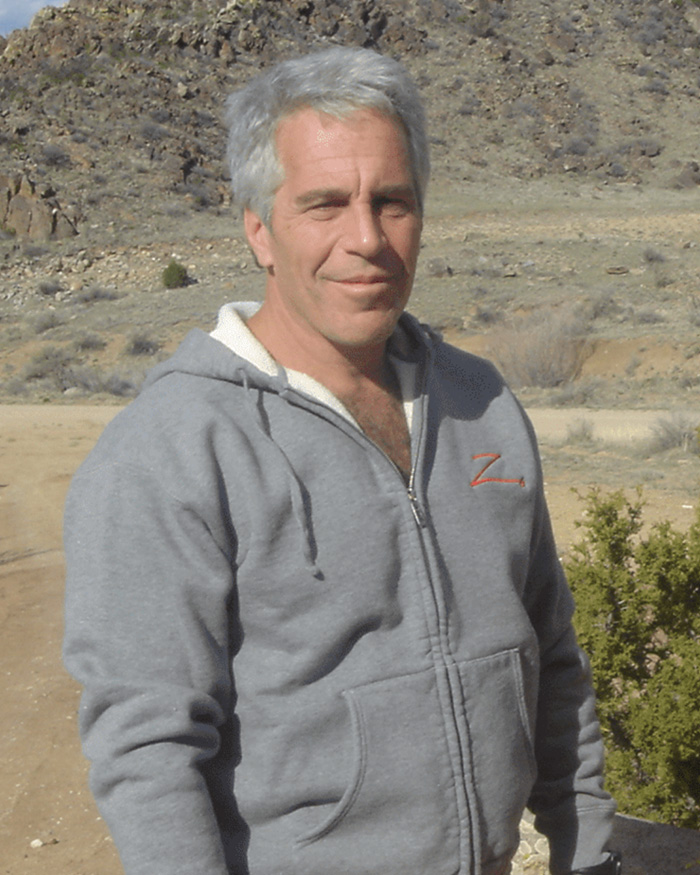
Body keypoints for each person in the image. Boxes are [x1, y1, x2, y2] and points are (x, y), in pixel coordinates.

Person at [63, 46, 621, 875]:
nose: (366, 238)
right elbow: (148, 749)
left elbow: (552, 660)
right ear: (260, 228)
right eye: (324, 204)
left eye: (392, 202)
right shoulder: (174, 447)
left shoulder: (483, 402)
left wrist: (593, 854)